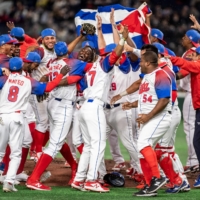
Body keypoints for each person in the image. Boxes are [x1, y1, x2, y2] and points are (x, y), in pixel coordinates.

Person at [71, 16, 129, 193]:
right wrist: (123, 39)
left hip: (84, 108)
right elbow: (115, 55)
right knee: (97, 144)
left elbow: (106, 53)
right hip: (94, 107)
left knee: (89, 145)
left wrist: (99, 31)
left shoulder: (90, 67)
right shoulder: (104, 64)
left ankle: (79, 179)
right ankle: (90, 180)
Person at [0, 57, 69, 192]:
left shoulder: (3, 79)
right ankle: (8, 182)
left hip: (2, 116)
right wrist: (60, 74)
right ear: (21, 67)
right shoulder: (28, 81)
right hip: (16, 116)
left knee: (0, 151)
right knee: (15, 153)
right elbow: (48, 87)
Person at [124, 51, 172, 197]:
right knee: (141, 150)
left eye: (141, 61)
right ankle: (149, 184)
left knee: (144, 143)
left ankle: (158, 178)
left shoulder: (161, 74)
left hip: (160, 117)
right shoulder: (147, 77)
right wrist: (133, 105)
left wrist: (148, 116)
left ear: (148, 63)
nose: (139, 63)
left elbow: (164, 99)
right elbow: (148, 99)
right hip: (149, 118)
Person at [170, 46, 200, 187]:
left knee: (197, 141)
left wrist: (169, 58)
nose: (192, 56)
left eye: (194, 54)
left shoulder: (198, 65)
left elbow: (185, 64)